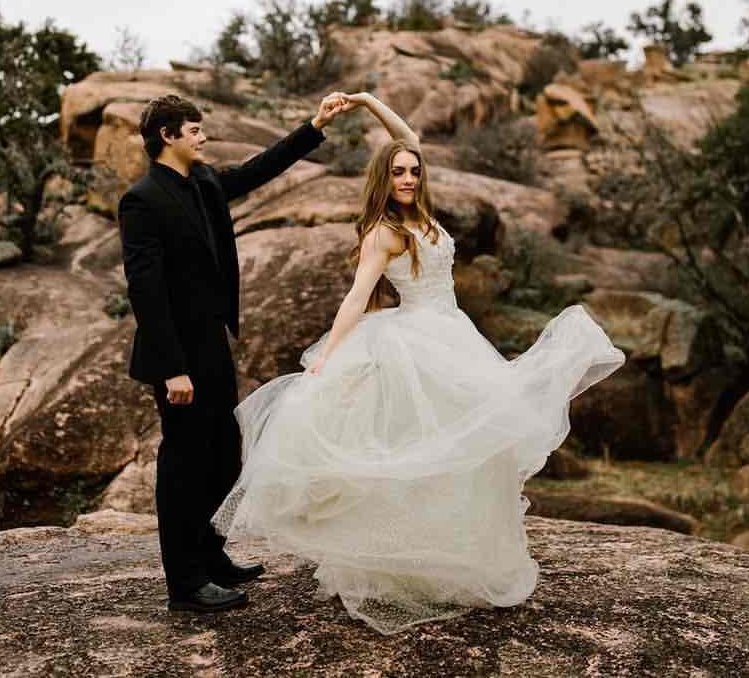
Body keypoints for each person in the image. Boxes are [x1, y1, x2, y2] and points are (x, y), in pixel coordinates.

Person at [212, 92, 626, 634]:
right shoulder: (385, 231)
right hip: (413, 341)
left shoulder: (424, 215)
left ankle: (454, 553)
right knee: (418, 449)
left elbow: (407, 136)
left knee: (469, 448)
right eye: (399, 173)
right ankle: (398, 564)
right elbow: (357, 297)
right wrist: (327, 357)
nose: (407, 177)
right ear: (385, 180)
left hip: (453, 334)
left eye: (413, 171)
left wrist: (365, 100)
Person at [118, 91, 348, 614]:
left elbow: (257, 170)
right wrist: (173, 368)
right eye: (194, 130)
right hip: (176, 355)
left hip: (213, 343)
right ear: (168, 137)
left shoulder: (202, 182)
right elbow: (145, 291)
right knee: (183, 465)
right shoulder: (142, 199)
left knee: (225, 456)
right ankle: (186, 584)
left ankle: (211, 556)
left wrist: (313, 126)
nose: (203, 136)